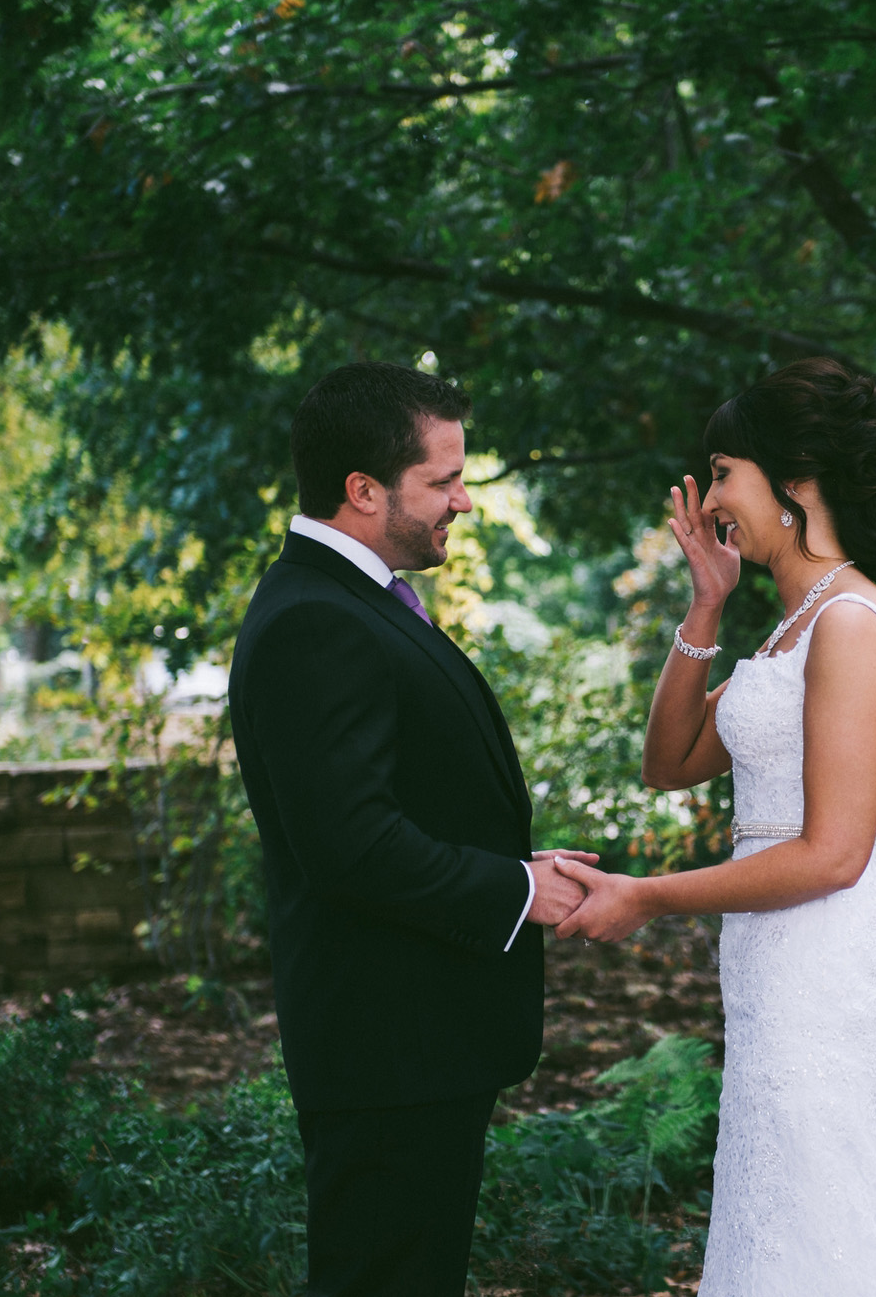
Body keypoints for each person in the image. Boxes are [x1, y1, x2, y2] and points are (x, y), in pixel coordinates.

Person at [552, 357, 876, 1294]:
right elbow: (669, 765)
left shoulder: (855, 627)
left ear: (798, 481)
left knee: (843, 1224)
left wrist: (649, 897)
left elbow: (832, 854)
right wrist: (706, 605)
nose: (707, 501)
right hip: (776, 971)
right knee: (786, 1216)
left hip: (829, 967)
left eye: (726, 471)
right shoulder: (795, 627)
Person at [227, 362, 597, 1297]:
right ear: (363, 489)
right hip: (386, 1045)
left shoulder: (355, 601)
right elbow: (351, 845)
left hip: (417, 1041)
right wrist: (517, 891)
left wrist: (517, 864)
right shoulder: (316, 620)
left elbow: (405, 800)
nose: (464, 502)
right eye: (443, 481)